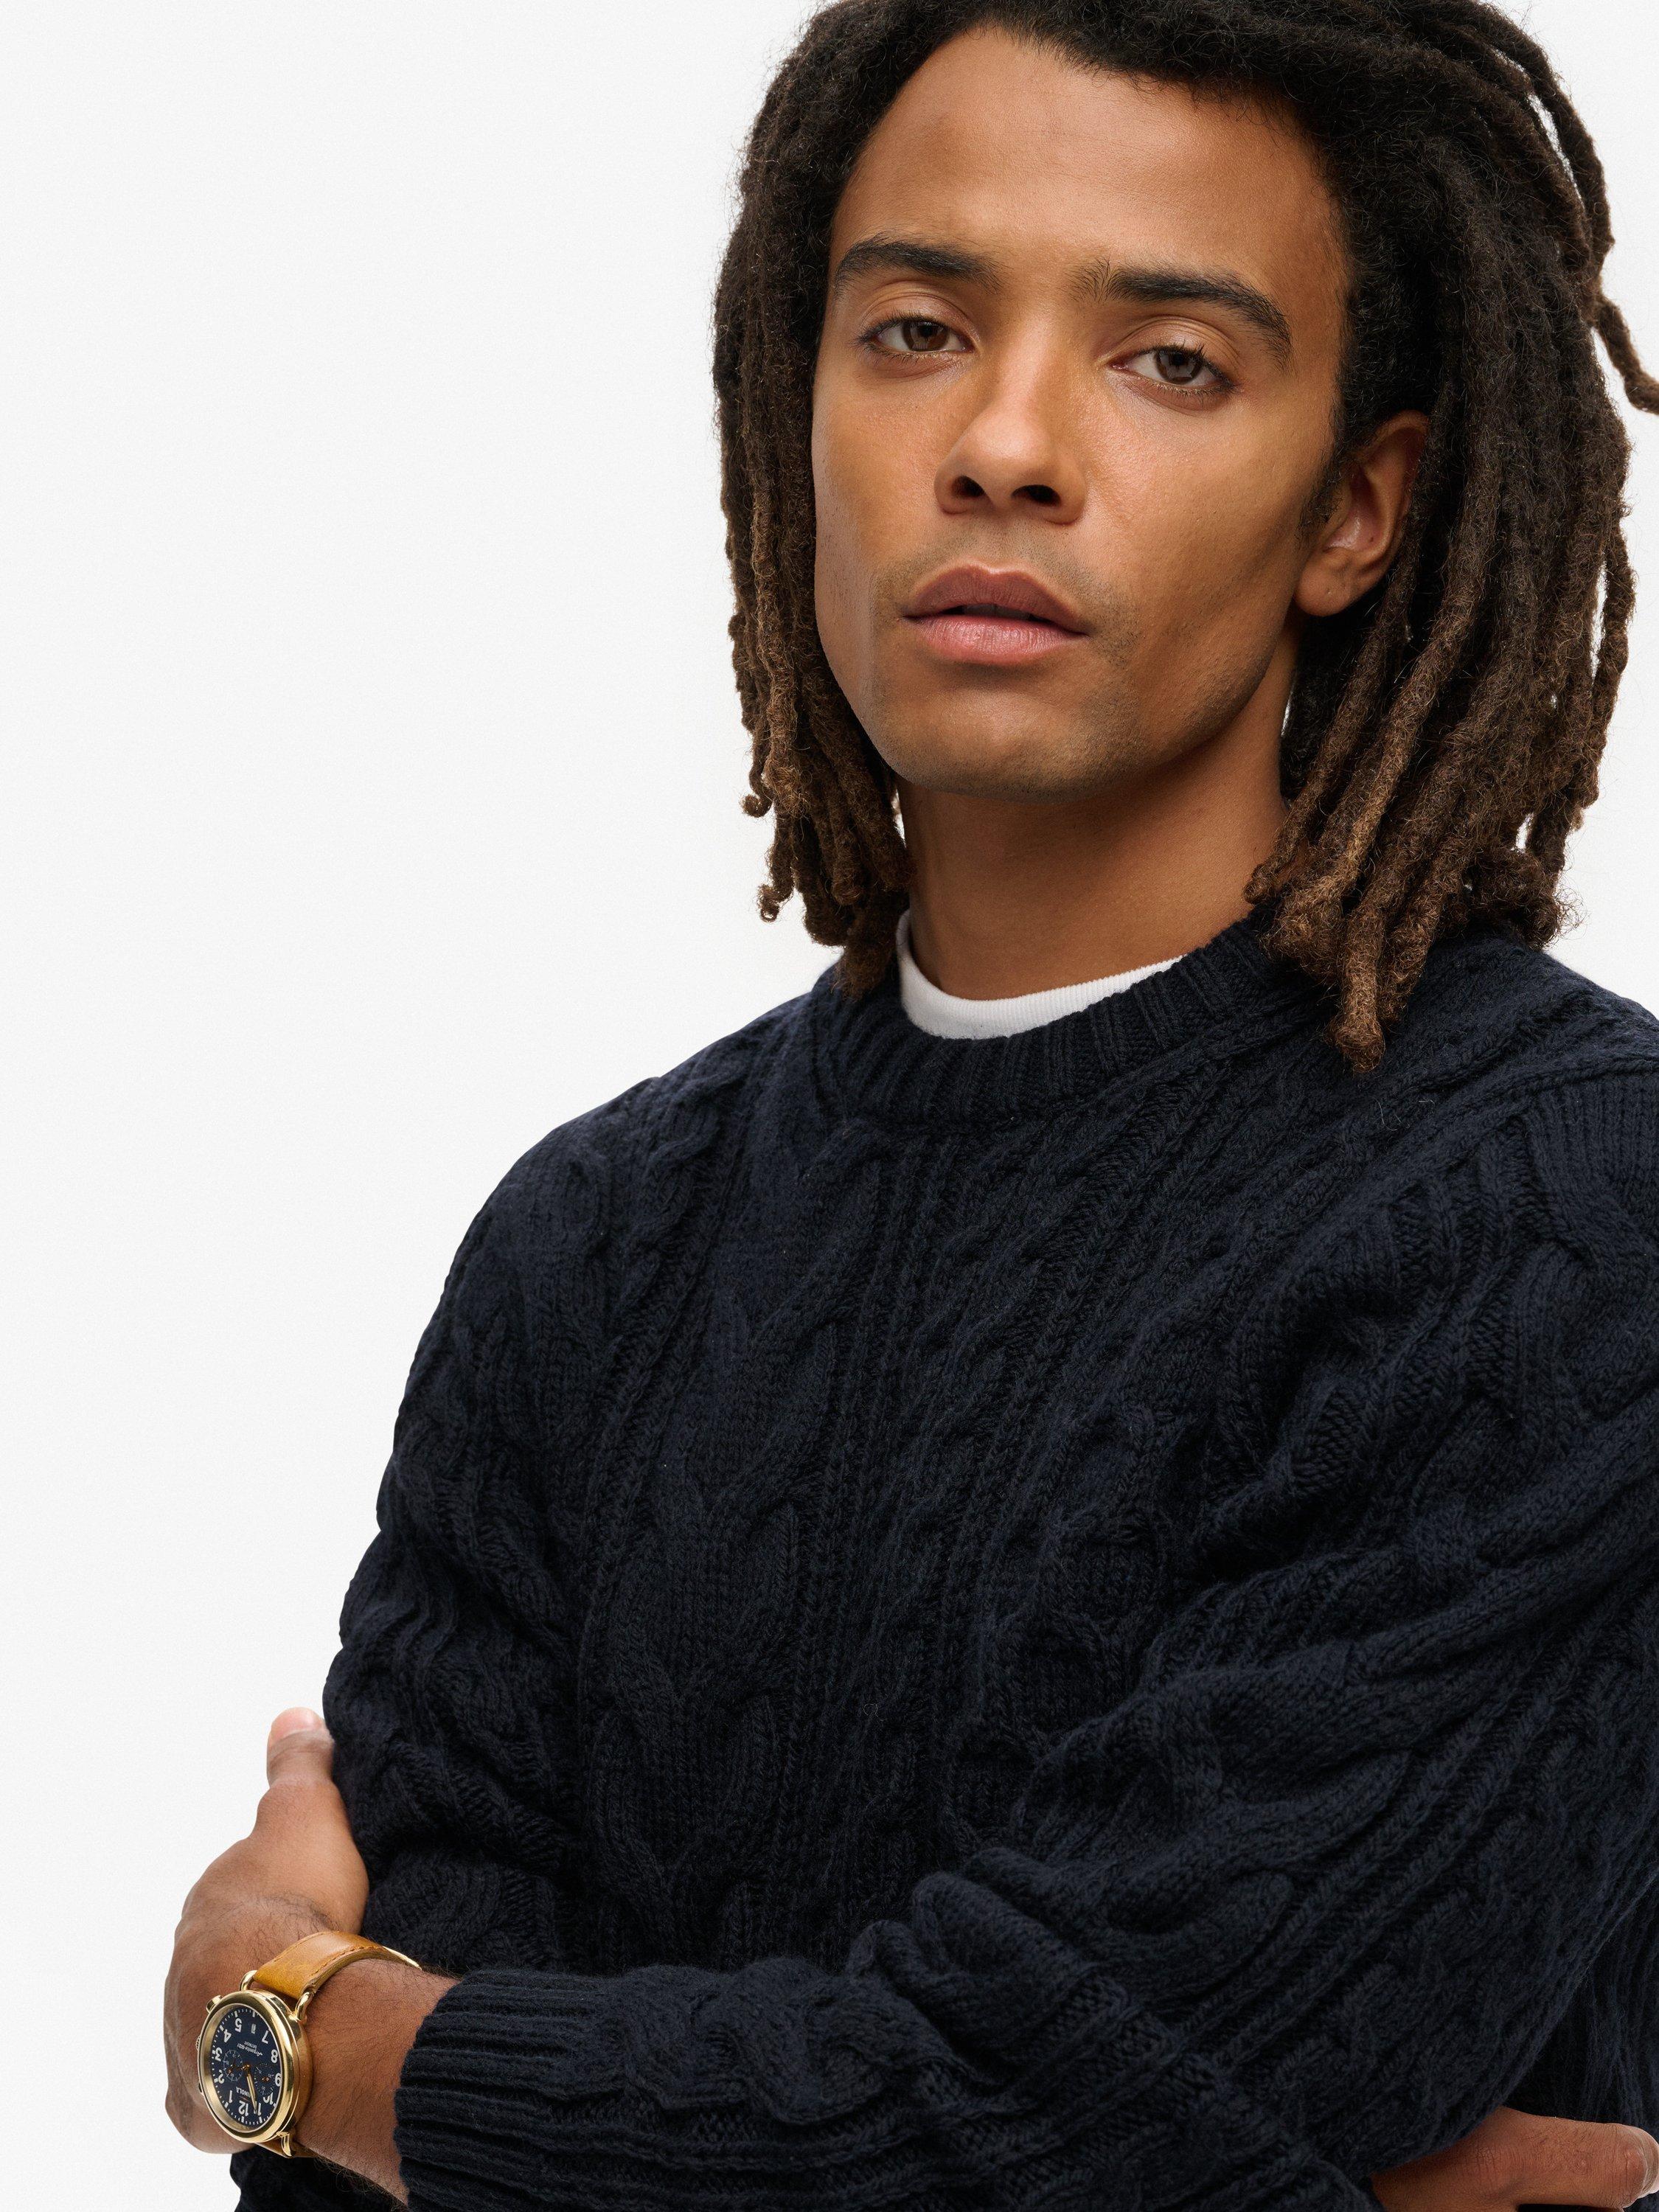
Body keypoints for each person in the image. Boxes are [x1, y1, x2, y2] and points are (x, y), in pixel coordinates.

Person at [164, 3, 1659, 2208]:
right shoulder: (594, 1242)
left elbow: (1020, 2113)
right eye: (916, 333)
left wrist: (304, 2036)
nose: (1006, 444)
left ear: (1358, 507)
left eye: (1170, 360)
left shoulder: (1565, 1209)